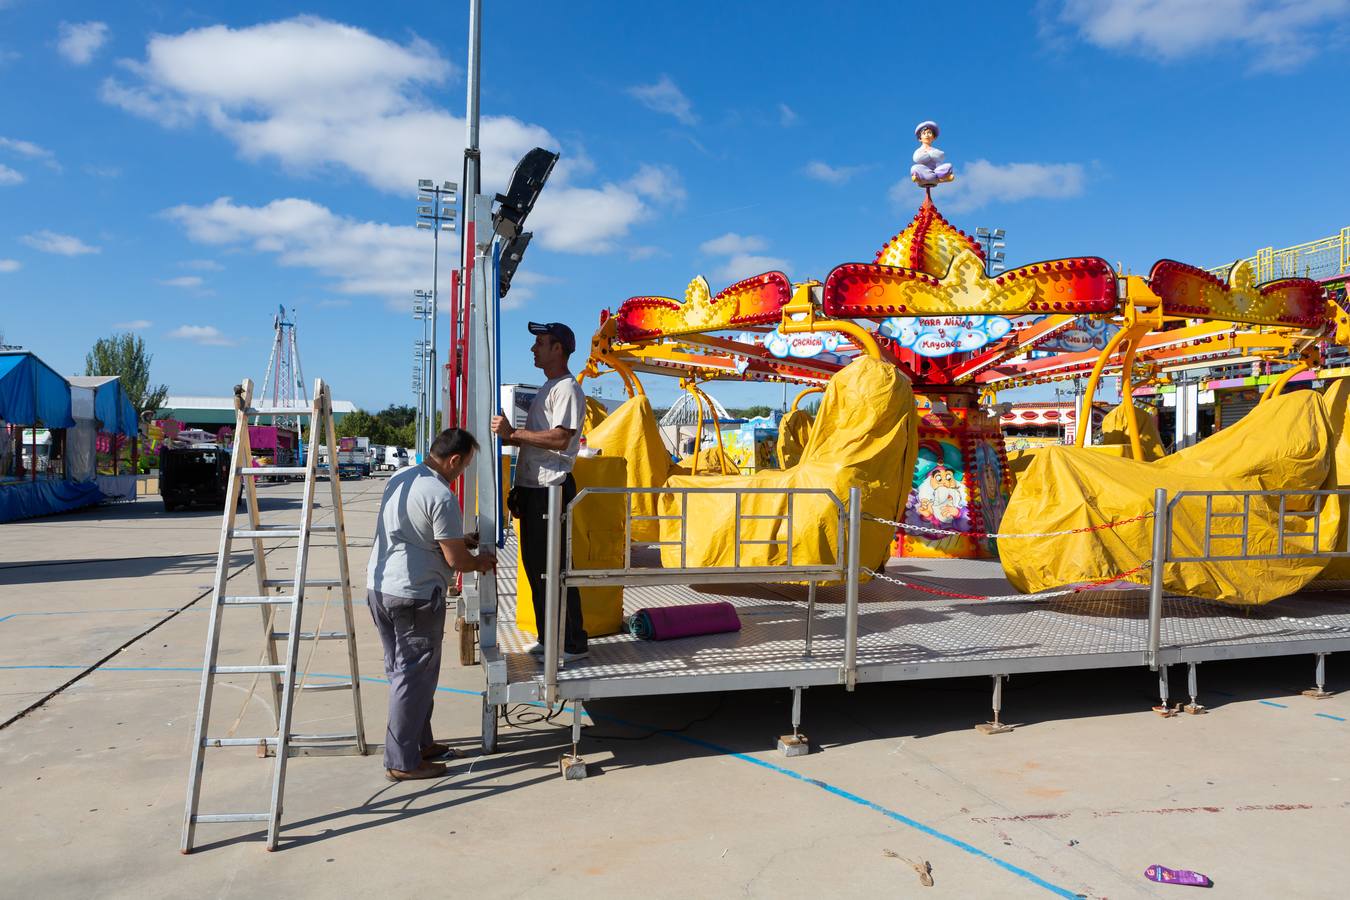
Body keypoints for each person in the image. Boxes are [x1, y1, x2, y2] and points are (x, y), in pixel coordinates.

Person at [366, 427, 495, 782]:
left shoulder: (402, 476)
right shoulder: (440, 494)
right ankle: (403, 761)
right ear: (454, 460)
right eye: (464, 466)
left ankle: (419, 743)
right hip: (415, 595)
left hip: (379, 587)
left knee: (405, 673)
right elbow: (457, 561)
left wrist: (458, 539)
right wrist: (479, 560)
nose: (462, 472)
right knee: (413, 677)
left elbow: (420, 533)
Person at [491, 322, 589, 661]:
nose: (534, 349)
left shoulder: (567, 389)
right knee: (538, 568)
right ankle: (552, 638)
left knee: (554, 567)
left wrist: (514, 433)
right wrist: (520, 487)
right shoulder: (549, 388)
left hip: (552, 488)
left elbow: (561, 438)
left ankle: (572, 642)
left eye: (541, 343)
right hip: (536, 489)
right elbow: (536, 441)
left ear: (558, 349)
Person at [910, 120, 954, 188]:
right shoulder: (919, 150)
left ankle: (931, 178)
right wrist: (930, 155)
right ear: (920, 138)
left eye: (929, 133)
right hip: (924, 170)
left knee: (949, 165)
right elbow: (917, 158)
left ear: (934, 137)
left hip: (936, 171)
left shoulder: (935, 150)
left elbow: (941, 156)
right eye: (924, 134)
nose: (927, 135)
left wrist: (928, 153)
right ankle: (935, 178)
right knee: (914, 168)